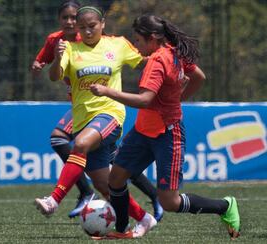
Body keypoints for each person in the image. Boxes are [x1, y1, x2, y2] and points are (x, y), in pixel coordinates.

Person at [90, 14, 240, 240]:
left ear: (151, 38)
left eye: (138, 41)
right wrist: (178, 98)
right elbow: (199, 77)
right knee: (116, 179)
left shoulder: (157, 60)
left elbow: (144, 100)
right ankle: (121, 229)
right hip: (142, 131)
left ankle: (224, 206)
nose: (137, 47)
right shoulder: (174, 51)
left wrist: (107, 91)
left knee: (169, 202)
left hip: (168, 133)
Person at [32, 1, 163, 221]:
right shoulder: (70, 48)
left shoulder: (118, 45)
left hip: (110, 114)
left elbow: (144, 63)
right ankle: (144, 219)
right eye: (83, 28)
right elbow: (54, 76)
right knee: (106, 186)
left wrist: (170, 63)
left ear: (103, 23)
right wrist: (56, 57)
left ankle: (54, 199)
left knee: (80, 143)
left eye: (92, 25)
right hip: (84, 119)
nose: (87, 30)